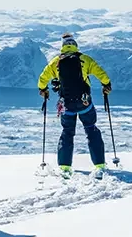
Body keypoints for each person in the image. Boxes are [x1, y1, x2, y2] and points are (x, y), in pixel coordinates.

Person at [37, 33, 113, 178]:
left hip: (66, 105)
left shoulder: (56, 62)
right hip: (84, 103)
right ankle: (99, 166)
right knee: (91, 130)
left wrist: (43, 90)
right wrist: (106, 85)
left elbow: (42, 79)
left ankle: (65, 167)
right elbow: (101, 74)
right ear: (75, 45)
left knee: (67, 132)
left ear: (63, 47)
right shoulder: (84, 59)